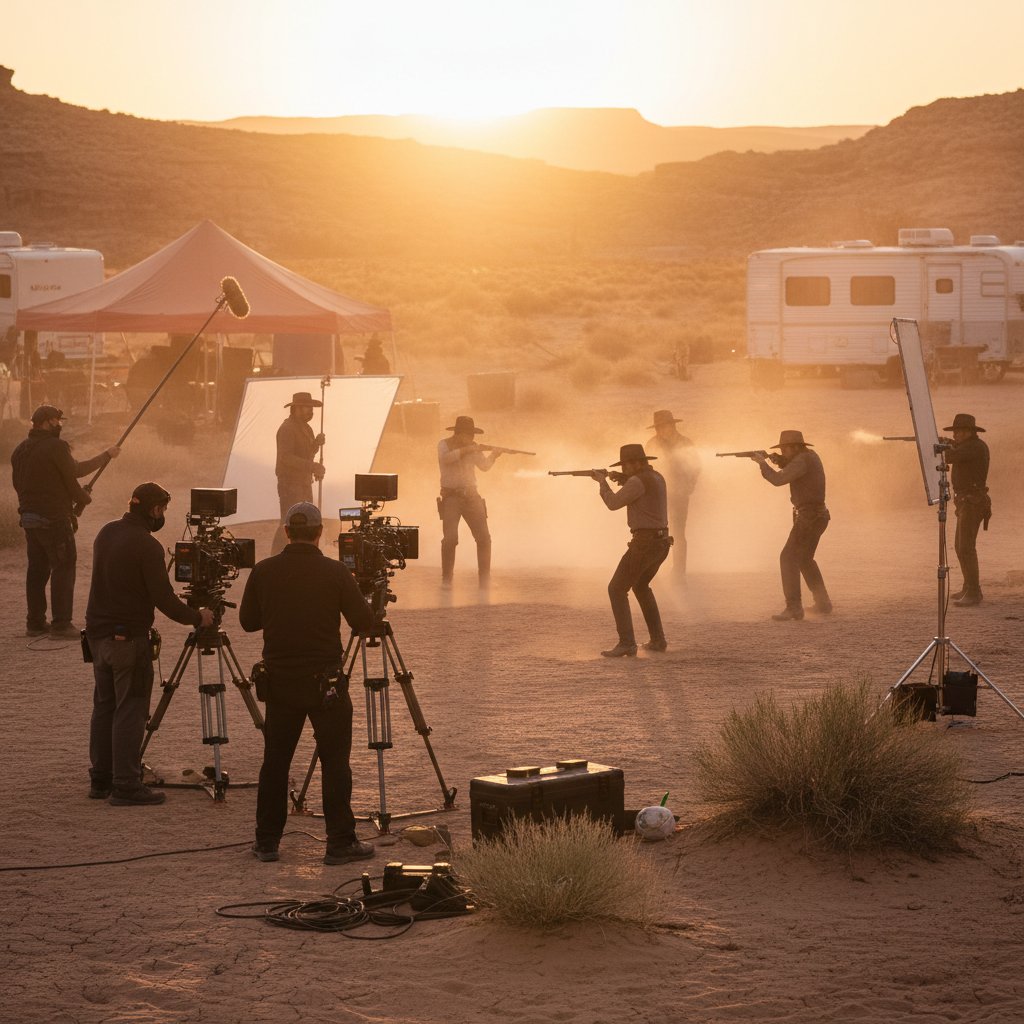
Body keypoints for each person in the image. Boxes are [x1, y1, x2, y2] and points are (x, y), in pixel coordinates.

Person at [240, 501, 376, 865]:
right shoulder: (335, 572)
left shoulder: (264, 571)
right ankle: (340, 843)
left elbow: (248, 622)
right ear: (320, 533)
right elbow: (364, 623)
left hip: (280, 684)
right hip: (324, 685)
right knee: (335, 762)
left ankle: (266, 842)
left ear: (286, 531)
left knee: (275, 762)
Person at [85, 483, 215, 805]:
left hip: (98, 637)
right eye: (163, 510)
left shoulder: (106, 533)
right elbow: (165, 600)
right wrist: (198, 617)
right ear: (155, 510)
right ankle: (126, 785)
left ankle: (101, 780)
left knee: (105, 707)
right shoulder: (148, 546)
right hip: (127, 640)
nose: (163, 516)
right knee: (130, 710)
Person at [10, 404, 121, 637]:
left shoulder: (20, 450)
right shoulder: (56, 447)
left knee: (37, 571)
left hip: (29, 519)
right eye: (58, 421)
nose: (60, 425)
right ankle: (61, 624)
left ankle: (35, 623)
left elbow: (20, 485)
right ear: (48, 422)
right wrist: (105, 457)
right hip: (54, 520)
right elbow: (76, 472)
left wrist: (79, 497)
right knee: (64, 567)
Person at [592, 443, 671, 657]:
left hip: (644, 543)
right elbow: (642, 489)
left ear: (636, 464)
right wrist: (624, 479)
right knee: (641, 586)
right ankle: (657, 640)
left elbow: (613, 503)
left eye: (626, 466)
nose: (625, 469)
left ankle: (627, 643)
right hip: (661, 543)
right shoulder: (656, 477)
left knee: (616, 589)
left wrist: (602, 483)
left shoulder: (636, 481)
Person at [751, 429, 831, 621]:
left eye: (785, 449)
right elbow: (792, 466)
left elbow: (778, 479)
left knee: (788, 558)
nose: (784, 452)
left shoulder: (801, 460)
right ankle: (823, 603)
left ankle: (794, 608)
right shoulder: (809, 456)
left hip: (809, 517)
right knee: (804, 559)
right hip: (818, 516)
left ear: (794, 447)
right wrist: (776, 459)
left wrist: (763, 463)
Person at [437, 415, 502, 586]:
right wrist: (468, 450)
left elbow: (484, 466)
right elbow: (446, 459)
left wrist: (494, 455)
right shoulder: (444, 445)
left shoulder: (473, 447)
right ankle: (447, 580)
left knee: (484, 538)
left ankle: (485, 580)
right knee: (450, 539)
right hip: (451, 497)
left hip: (472, 496)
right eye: (468, 434)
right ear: (459, 433)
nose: (471, 438)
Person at [944, 412, 991, 606]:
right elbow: (954, 451)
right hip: (967, 502)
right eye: (954, 432)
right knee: (961, 546)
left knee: (966, 548)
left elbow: (949, 456)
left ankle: (974, 592)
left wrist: (941, 445)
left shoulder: (975, 447)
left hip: (973, 502)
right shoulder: (970, 445)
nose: (956, 435)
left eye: (959, 432)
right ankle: (968, 587)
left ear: (969, 432)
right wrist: (947, 443)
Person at [646, 409, 700, 577]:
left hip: (679, 494)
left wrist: (690, 485)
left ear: (672, 426)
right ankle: (655, 570)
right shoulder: (652, 444)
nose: (660, 430)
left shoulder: (685, 443)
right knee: (655, 532)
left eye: (663, 426)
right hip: (657, 495)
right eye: (658, 427)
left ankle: (678, 571)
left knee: (678, 532)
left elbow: (695, 466)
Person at [272, 391, 325, 555]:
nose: (311, 411)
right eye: (307, 408)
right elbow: (286, 458)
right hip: (289, 483)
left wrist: (316, 444)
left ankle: (302, 555)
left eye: (311, 408)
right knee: (289, 521)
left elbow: (305, 453)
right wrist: (312, 466)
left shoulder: (306, 428)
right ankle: (277, 556)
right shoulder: (287, 429)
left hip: (303, 483)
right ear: (296, 408)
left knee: (305, 521)